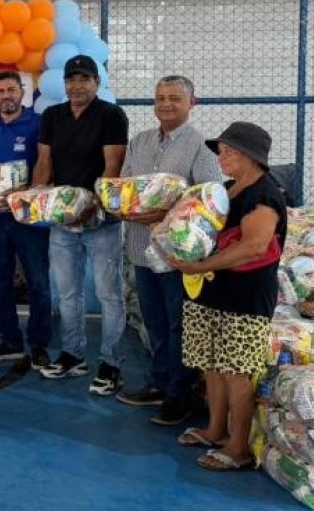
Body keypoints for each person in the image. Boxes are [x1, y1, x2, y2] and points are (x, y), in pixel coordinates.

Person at [171, 122, 286, 471]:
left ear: (253, 156)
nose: (221, 158)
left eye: (230, 151)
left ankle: (238, 447)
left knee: (236, 371)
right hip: (211, 291)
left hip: (245, 298)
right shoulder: (226, 190)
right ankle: (215, 429)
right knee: (212, 365)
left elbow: (254, 247)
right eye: (220, 151)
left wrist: (200, 265)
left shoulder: (265, 195)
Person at [115, 76, 222, 425]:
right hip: (142, 248)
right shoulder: (140, 141)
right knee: (155, 322)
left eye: (175, 98)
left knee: (180, 325)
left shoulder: (201, 147)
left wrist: (161, 214)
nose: (166, 104)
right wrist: (123, 205)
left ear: (193, 102)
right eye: (160, 97)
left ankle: (181, 393)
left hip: (177, 257)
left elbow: (209, 200)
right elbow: (126, 186)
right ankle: (158, 382)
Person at [33, 55, 129, 395]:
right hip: (62, 222)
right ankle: (73, 355)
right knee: (68, 293)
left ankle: (111, 363)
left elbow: (112, 165)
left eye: (84, 79)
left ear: (96, 83)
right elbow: (44, 163)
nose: (76, 86)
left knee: (108, 294)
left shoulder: (111, 115)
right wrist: (36, 200)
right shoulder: (53, 116)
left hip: (101, 220)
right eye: (71, 79)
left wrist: (93, 207)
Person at [0, 72, 52, 369]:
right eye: (0, 91)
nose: (6, 95)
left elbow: (48, 164)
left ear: (22, 92)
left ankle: (39, 344)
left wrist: (30, 195)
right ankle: (10, 340)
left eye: (11, 90)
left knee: (38, 282)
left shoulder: (38, 123)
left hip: (28, 217)